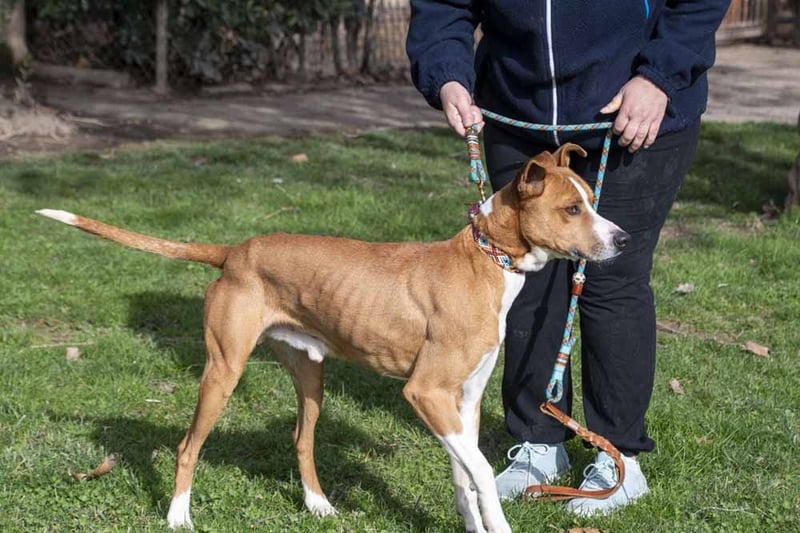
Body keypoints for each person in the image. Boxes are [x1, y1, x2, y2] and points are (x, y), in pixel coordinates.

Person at [407, 0, 731, 516]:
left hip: (633, 109)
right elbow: (443, 7)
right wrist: (446, 74)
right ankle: (537, 441)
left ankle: (618, 456)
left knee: (612, 279)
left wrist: (660, 75)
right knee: (522, 273)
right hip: (518, 112)